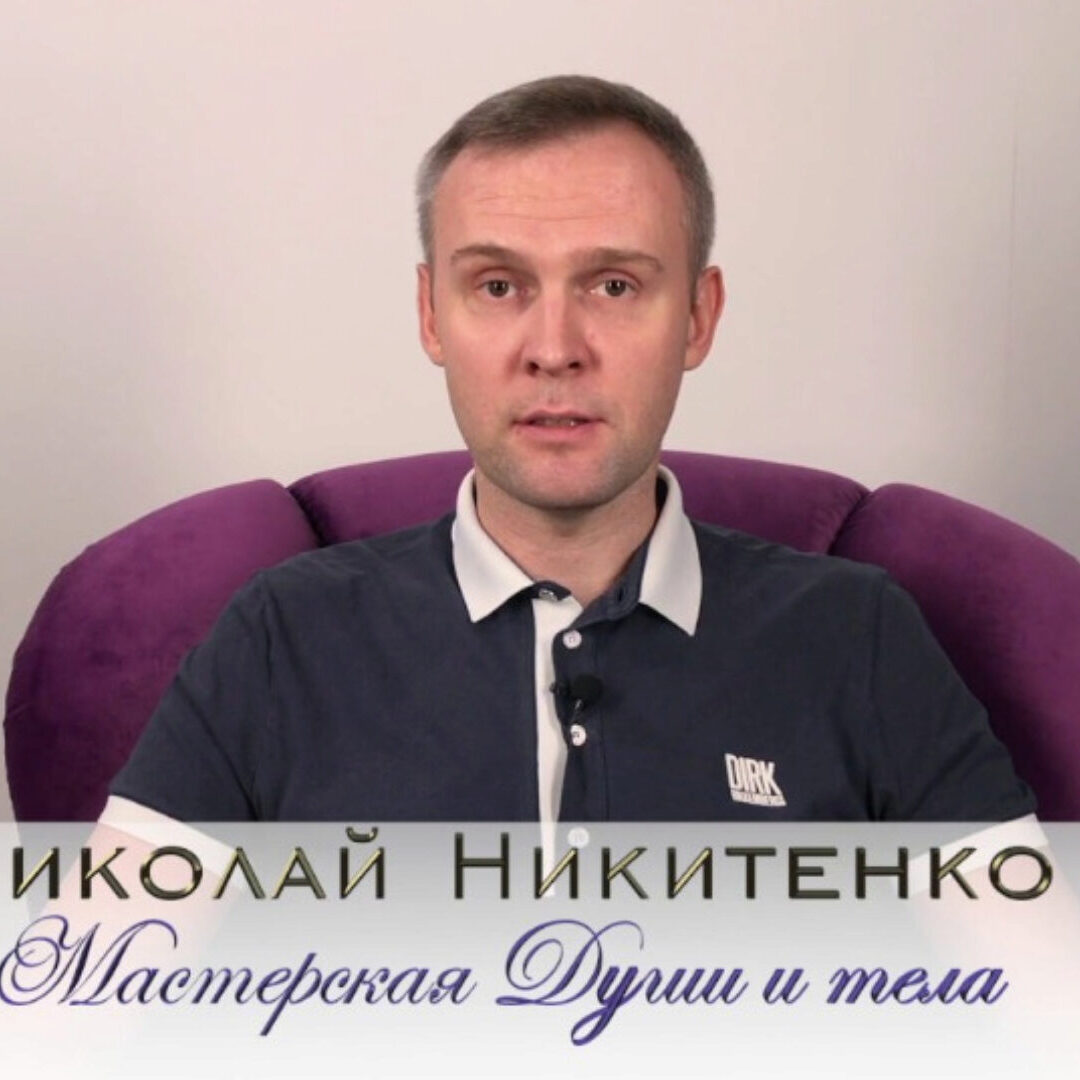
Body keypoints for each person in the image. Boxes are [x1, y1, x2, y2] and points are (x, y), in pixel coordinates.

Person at [104, 75, 1034, 824]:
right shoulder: (282, 636)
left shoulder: (857, 635)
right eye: (498, 285)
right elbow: (92, 977)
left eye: (615, 286)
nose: (554, 347)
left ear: (698, 317)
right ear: (431, 315)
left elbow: (1036, 979)